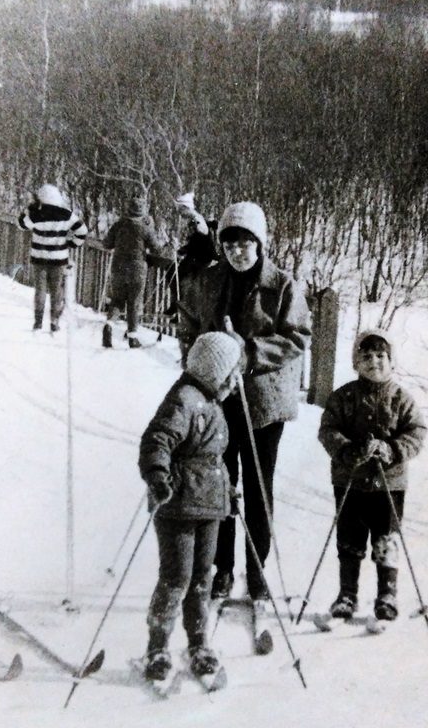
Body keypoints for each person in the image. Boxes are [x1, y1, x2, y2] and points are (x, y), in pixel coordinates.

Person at [177, 201, 312, 603]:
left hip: (262, 402)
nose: (238, 250)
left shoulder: (282, 285)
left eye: (246, 241)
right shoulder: (208, 280)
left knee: (257, 489)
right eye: (230, 242)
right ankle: (222, 568)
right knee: (219, 486)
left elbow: (298, 337)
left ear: (260, 243)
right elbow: (187, 322)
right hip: (217, 399)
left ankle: (256, 569)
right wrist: (198, 359)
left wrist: (249, 352)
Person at [139, 331, 243, 680]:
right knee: (176, 577)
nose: (236, 381)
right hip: (179, 506)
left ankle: (198, 642)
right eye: (233, 373)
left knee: (202, 577)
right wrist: (157, 474)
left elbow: (214, 459)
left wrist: (228, 492)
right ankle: (157, 647)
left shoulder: (212, 402)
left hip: (209, 507)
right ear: (215, 371)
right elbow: (158, 438)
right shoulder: (184, 399)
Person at [317, 329, 427, 622]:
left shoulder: (401, 398)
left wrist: (392, 450)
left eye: (381, 356)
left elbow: (416, 432)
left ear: (392, 361)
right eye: (366, 356)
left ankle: (387, 594)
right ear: (356, 362)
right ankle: (347, 594)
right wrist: (347, 450)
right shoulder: (343, 397)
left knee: (386, 539)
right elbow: (328, 429)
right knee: (350, 539)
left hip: (389, 485)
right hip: (349, 481)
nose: (374, 362)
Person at [17, 184, 88, 332]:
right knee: (57, 291)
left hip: (39, 258)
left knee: (40, 290)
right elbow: (82, 231)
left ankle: (38, 322)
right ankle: (54, 321)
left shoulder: (37, 214)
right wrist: (72, 244)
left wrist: (28, 209)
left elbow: (21, 224)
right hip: (59, 258)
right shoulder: (66, 214)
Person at [102, 195, 166, 348]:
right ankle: (132, 337)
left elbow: (106, 244)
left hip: (118, 267)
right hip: (137, 269)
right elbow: (157, 248)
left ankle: (109, 324)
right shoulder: (145, 227)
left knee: (117, 300)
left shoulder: (119, 224)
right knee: (133, 302)